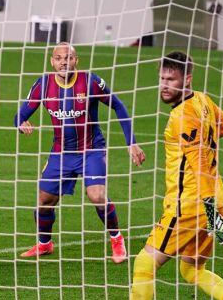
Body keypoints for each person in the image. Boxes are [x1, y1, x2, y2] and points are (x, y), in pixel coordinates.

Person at [98, 53, 223, 300]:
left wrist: (211, 216)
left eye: (171, 80)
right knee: (192, 269)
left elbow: (196, 166)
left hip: (191, 205)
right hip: (217, 200)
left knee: (144, 263)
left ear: (187, 79)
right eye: (162, 79)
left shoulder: (180, 116)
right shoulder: (204, 101)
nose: (164, 85)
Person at [14, 42, 145, 263]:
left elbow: (118, 106)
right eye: (59, 58)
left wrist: (130, 142)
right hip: (61, 153)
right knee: (44, 202)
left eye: (69, 57)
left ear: (77, 60)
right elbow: (21, 113)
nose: (64, 62)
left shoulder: (91, 81)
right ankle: (45, 244)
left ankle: (117, 240)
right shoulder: (43, 85)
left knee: (97, 196)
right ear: (52, 61)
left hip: (91, 150)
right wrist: (21, 122)